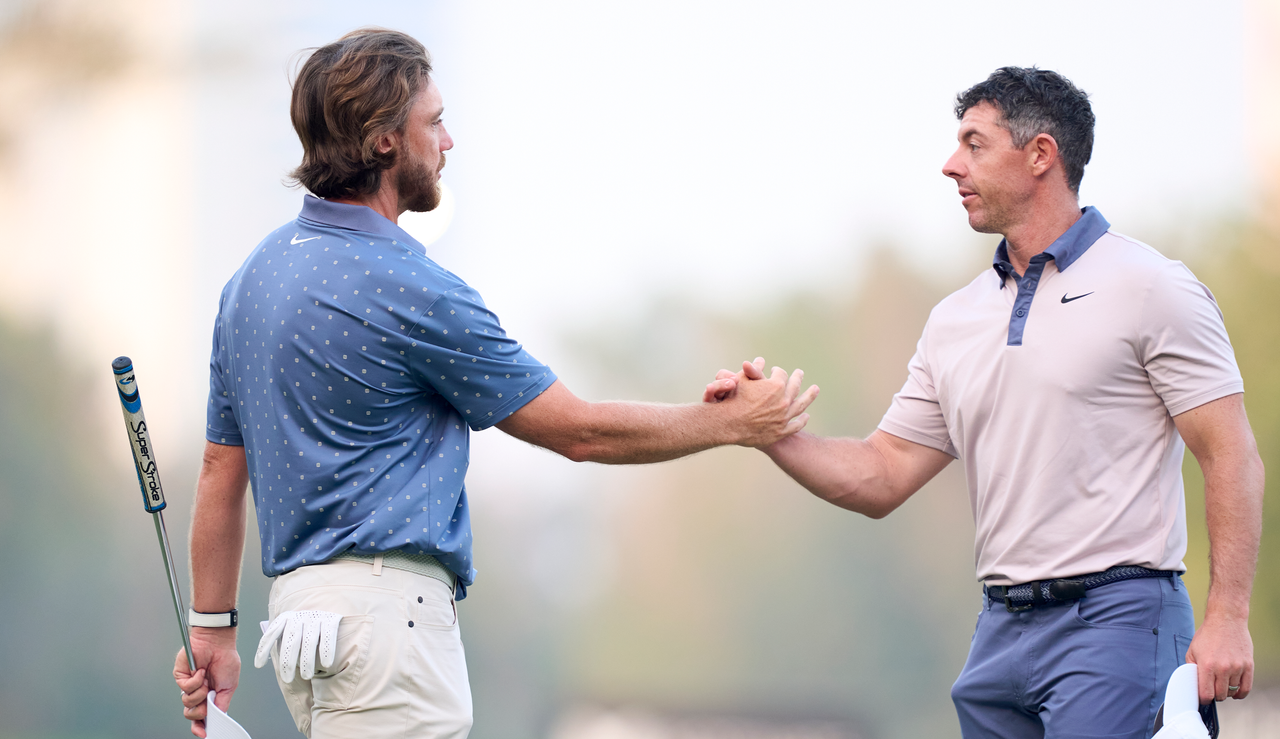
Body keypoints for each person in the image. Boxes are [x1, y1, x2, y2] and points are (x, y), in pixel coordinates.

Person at [173, 28, 818, 739]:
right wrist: (730, 424)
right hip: (387, 628)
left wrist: (212, 629)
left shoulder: (249, 282)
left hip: (296, 627)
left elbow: (217, 470)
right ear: (386, 140)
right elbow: (577, 431)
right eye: (435, 121)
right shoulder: (411, 284)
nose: (447, 142)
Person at [706, 67, 1263, 737]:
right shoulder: (955, 319)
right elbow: (881, 473)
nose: (950, 165)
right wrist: (769, 432)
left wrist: (1228, 615)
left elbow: (1230, 451)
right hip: (998, 634)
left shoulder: (1151, 287)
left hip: (1116, 622)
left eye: (974, 144)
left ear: (1039, 155)